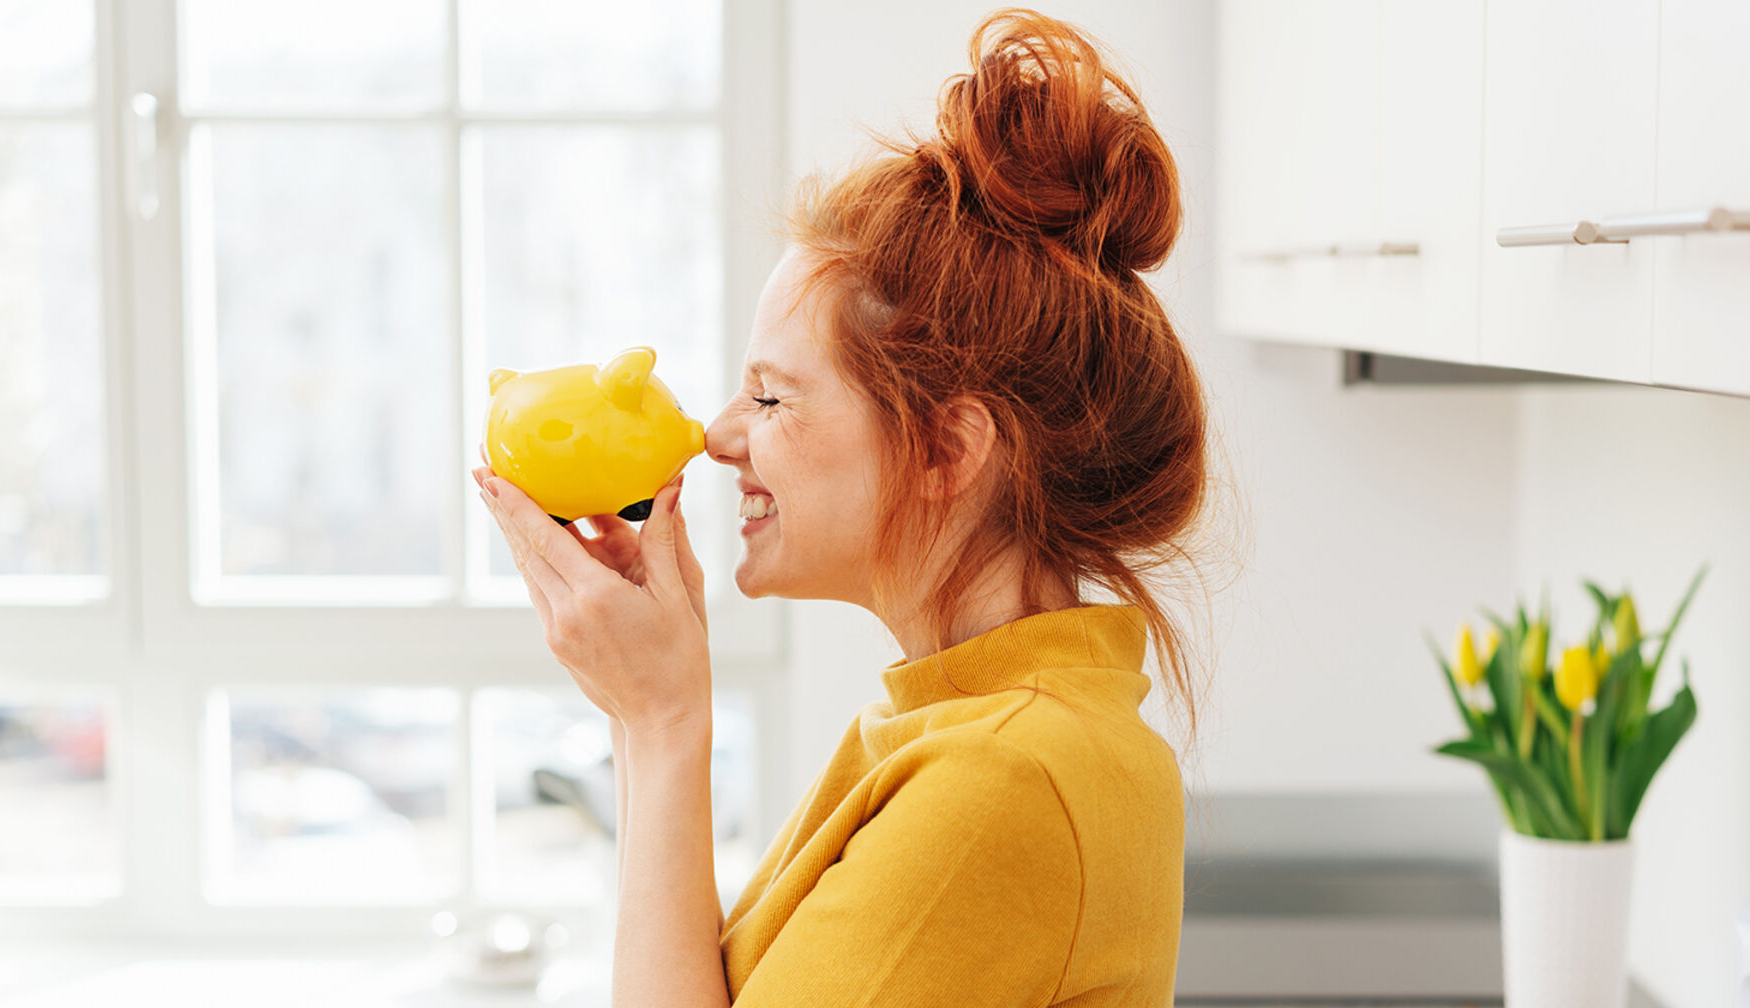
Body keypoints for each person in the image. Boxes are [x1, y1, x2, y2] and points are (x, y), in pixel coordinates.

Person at [474, 8, 1217, 1005]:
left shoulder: (998, 783)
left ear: (947, 450)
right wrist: (640, 707)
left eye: (772, 395)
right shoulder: (971, 728)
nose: (717, 435)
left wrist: (661, 720)